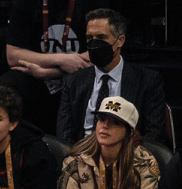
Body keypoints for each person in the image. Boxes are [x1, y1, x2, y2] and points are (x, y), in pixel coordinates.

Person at [56, 9, 165, 146]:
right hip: (82, 157)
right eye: (90, 38)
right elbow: (64, 134)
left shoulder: (147, 80)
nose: (94, 44)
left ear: (120, 40)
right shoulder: (73, 81)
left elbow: (154, 134)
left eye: (101, 38)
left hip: (128, 157)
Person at [1, 0, 100, 132]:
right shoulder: (25, 2)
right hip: (36, 77)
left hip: (79, 77)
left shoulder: (93, 2)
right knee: (7, 86)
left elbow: (100, 53)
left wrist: (48, 73)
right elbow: (13, 55)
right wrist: (60, 60)